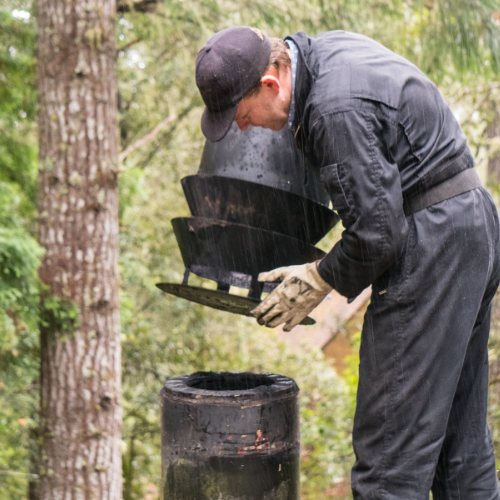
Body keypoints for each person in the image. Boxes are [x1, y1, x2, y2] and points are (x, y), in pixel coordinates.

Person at [195, 26, 500, 499]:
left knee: (388, 463)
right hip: (469, 226)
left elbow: (378, 235)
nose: (242, 127)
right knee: (460, 450)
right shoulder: (323, 57)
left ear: (271, 84)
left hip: (433, 246)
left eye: (241, 114)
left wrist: (319, 277)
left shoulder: (333, 111)